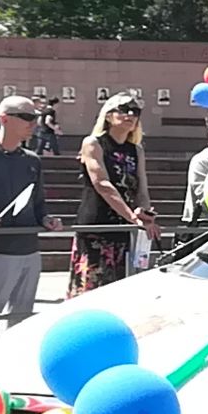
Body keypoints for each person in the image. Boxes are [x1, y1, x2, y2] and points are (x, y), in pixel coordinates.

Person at [0, 97, 61, 351]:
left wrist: (47, 219)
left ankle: (11, 377)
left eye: (36, 117)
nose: (34, 123)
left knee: (21, 322)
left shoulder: (31, 160)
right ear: (4, 119)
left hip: (30, 250)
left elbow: (38, 204)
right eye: (27, 117)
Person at [72, 92, 158, 296]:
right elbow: (102, 184)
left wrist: (145, 213)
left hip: (125, 230)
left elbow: (142, 188)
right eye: (124, 109)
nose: (130, 114)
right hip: (97, 226)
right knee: (92, 289)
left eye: (135, 111)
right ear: (109, 116)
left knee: (121, 289)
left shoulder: (136, 150)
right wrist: (131, 216)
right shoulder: (93, 143)